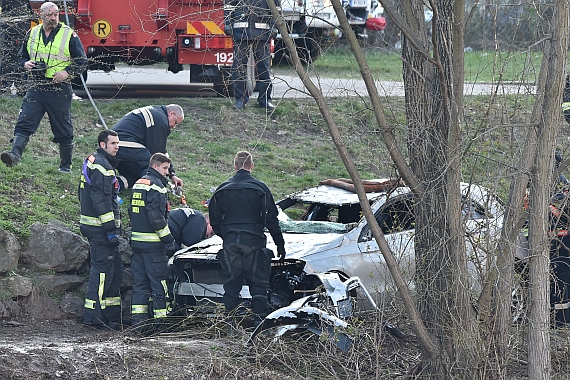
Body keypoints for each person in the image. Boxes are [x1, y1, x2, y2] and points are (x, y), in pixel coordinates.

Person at [1, 1, 87, 172]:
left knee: (63, 127)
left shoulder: (69, 34)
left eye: (55, 14)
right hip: (37, 85)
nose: (53, 18)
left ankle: (65, 166)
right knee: (25, 121)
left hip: (59, 88)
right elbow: (20, 57)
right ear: (41, 15)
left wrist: (66, 72)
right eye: (49, 15)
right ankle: (14, 155)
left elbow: (81, 61)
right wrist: (25, 63)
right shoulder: (32, 33)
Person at [209, 151, 286, 322]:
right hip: (254, 242)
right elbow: (272, 220)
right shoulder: (260, 188)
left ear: (234, 165)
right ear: (252, 166)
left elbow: (214, 222)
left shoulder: (221, 189)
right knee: (258, 285)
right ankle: (259, 325)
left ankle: (231, 323)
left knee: (231, 285)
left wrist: (227, 237)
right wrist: (280, 244)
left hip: (230, 244)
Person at [79, 129, 123, 330]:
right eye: (113, 143)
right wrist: (110, 229)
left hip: (96, 227)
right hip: (100, 229)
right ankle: (93, 316)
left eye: (117, 143)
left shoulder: (94, 162)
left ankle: (109, 315)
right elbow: (101, 200)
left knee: (114, 271)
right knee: (102, 272)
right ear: (102, 144)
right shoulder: (102, 166)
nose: (117, 147)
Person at [129, 153, 177, 330]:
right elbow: (156, 218)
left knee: (140, 284)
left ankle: (139, 325)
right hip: (153, 245)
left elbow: (131, 211)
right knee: (160, 284)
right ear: (155, 167)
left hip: (137, 242)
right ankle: (161, 325)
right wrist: (169, 241)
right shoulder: (157, 187)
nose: (166, 172)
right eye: (165, 168)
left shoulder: (138, 183)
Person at [111, 104, 185, 189]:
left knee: (138, 174)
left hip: (117, 144)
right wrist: (166, 176)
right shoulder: (160, 120)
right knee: (152, 166)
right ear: (171, 113)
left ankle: (116, 184)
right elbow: (158, 153)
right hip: (124, 144)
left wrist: (172, 174)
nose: (173, 127)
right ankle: (153, 189)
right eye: (175, 122)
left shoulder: (156, 111)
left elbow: (160, 149)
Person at [224, 0, 277, 110]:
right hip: (241, 31)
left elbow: (276, 7)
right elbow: (229, 5)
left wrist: (274, 26)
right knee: (238, 67)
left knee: (264, 67)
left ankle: (265, 100)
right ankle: (240, 100)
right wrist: (228, 23)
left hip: (262, 32)